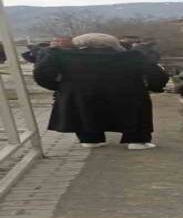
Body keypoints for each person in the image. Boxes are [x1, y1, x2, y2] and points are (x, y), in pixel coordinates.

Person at [33, 33, 169, 150]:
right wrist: (154, 87)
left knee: (84, 113)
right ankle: (137, 141)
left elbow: (41, 74)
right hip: (127, 94)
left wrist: (59, 87)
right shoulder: (132, 57)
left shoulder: (62, 56)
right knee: (135, 113)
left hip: (81, 94)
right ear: (113, 44)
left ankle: (91, 139)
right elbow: (156, 74)